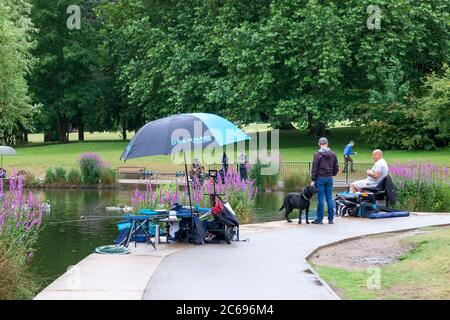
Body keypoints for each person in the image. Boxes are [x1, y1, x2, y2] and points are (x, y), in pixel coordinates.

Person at [311, 137, 339, 224]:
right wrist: (332, 174)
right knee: (329, 199)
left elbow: (314, 168)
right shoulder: (333, 154)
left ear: (319, 144)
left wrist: (313, 179)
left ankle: (320, 219)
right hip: (329, 178)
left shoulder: (317, 154)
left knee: (321, 199)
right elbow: (336, 167)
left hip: (320, 179)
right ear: (327, 143)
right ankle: (330, 219)